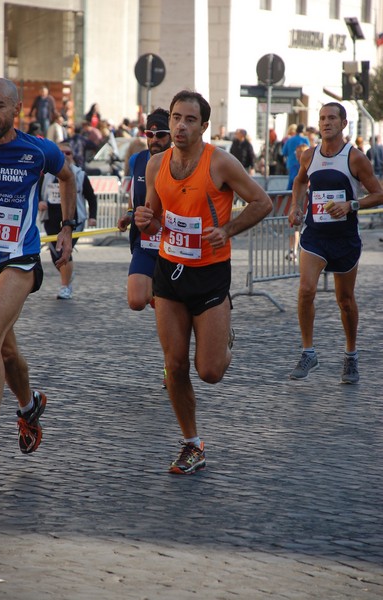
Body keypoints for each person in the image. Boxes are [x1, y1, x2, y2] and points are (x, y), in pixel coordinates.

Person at [135, 90, 272, 475]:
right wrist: (146, 219)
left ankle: (224, 331)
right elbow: (157, 217)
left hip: (210, 273)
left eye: (189, 119)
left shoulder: (220, 163)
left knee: (209, 371)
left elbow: (262, 202)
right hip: (169, 271)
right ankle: (192, 444)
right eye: (176, 117)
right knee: (174, 365)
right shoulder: (155, 165)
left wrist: (227, 230)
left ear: (204, 126)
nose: (180, 125)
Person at [0, 78, 76, 471]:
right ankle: (29, 405)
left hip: (18, 259)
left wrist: (68, 227)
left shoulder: (38, 151)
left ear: (17, 109)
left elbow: (68, 177)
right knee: (4, 349)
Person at [288, 102, 383, 384]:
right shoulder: (309, 155)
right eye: (322, 118)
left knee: (345, 301)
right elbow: (299, 182)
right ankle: (308, 351)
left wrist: (350, 204)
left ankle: (351, 355)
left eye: (332, 118)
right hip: (315, 236)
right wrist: (295, 206)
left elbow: (378, 194)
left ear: (343, 124)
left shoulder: (354, 158)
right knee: (306, 290)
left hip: (344, 239)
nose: (326, 122)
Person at [118, 109, 171, 310]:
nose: (154, 139)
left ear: (171, 135)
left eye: (161, 135)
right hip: (146, 241)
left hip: (173, 242)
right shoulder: (136, 160)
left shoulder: (180, 161)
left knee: (174, 305)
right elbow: (135, 198)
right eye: (149, 134)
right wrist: (129, 214)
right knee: (136, 300)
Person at [39, 141, 97, 299]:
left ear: (73, 156)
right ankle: (68, 272)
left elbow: (91, 197)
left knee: (63, 251)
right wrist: (39, 202)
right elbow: (36, 192)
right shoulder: (46, 175)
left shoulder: (79, 174)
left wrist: (93, 216)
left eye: (68, 153)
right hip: (50, 219)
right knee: (54, 255)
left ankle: (65, 286)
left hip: (74, 220)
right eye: (61, 153)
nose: (64, 156)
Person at [286, 142, 309, 263]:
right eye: (296, 153)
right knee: (294, 226)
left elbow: (298, 182)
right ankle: (293, 250)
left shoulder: (303, 166)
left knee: (297, 227)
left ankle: (295, 250)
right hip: (295, 199)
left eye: (299, 153)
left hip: (304, 200)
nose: (297, 155)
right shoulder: (296, 165)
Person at [282, 124, 310, 190]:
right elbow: (308, 152)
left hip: (290, 164)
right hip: (303, 165)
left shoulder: (289, 140)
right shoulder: (305, 140)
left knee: (292, 182)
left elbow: (284, 152)